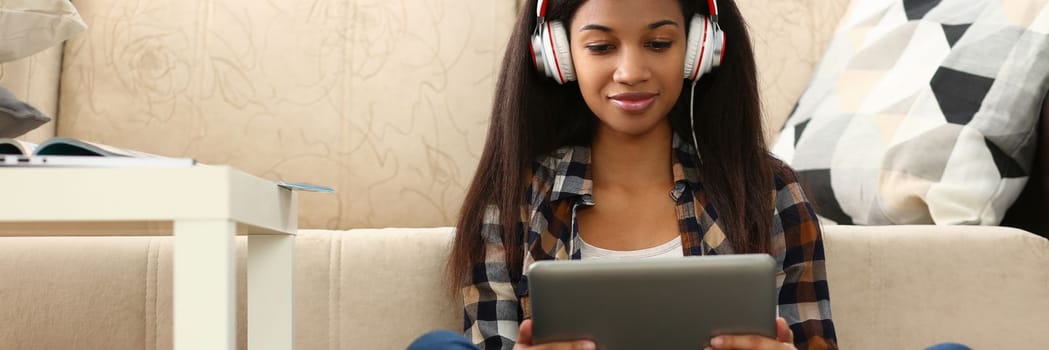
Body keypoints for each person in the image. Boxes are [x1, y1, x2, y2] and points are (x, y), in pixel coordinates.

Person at [426, 0, 838, 349]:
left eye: (658, 43)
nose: (631, 71)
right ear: (557, 54)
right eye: (602, 46)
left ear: (701, 48)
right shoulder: (512, 198)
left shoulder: (770, 191)